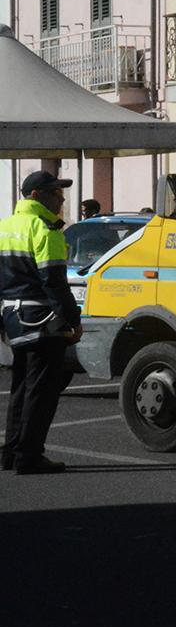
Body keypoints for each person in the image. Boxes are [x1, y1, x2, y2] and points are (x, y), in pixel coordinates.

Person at [0, 171, 82, 474]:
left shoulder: (5, 226)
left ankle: (11, 453)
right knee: (42, 392)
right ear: (35, 195)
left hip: (13, 317)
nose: (60, 200)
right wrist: (73, 320)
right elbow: (54, 281)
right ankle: (29, 455)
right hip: (43, 318)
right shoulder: (44, 228)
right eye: (54, 193)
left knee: (22, 386)